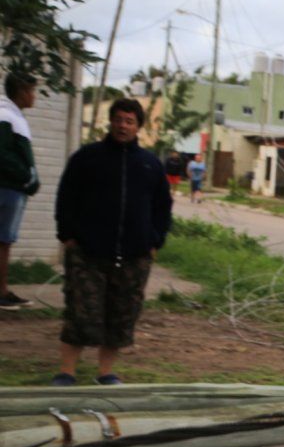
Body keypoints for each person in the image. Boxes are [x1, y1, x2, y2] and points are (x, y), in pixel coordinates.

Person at [51, 98, 172, 386]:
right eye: (118, 119)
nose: (123, 126)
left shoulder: (150, 164)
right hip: (87, 253)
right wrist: (68, 236)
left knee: (121, 316)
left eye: (129, 121)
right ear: (111, 122)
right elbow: (66, 197)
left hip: (134, 255)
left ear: (138, 127)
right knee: (81, 312)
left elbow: (162, 207)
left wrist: (154, 241)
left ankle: (106, 374)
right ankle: (66, 372)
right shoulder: (87, 158)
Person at [0, 73, 40, 310]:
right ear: (22, 91)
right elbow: (2, 153)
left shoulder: (13, 116)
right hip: (8, 189)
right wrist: (26, 177)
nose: (34, 96)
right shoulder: (6, 115)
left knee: (4, 241)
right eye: (32, 91)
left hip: (13, 188)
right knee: (3, 241)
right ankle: (1, 292)